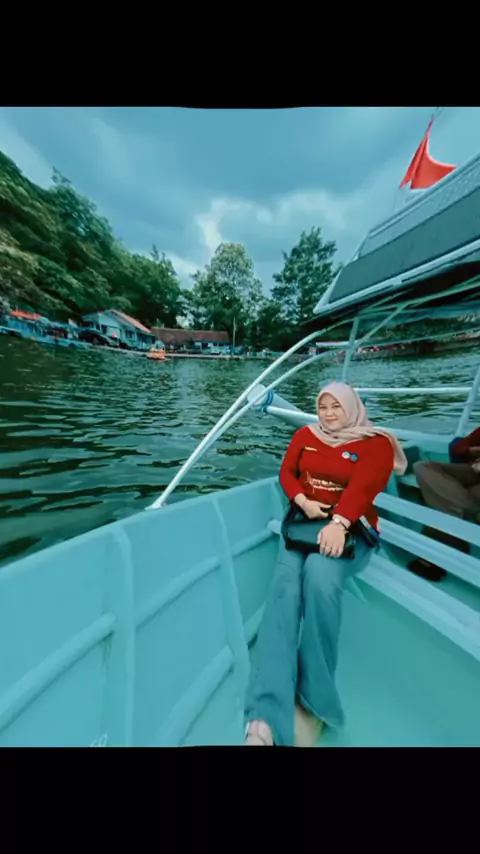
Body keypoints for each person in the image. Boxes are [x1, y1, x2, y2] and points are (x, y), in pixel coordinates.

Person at [243, 381, 408, 747]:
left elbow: (365, 485)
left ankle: (315, 704)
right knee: (284, 588)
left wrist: (339, 522)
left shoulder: (375, 442)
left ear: (352, 407)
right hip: (303, 526)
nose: (329, 414)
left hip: (351, 531)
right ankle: (264, 713)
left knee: (319, 578)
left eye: (337, 406)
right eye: (323, 407)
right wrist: (302, 500)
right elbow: (287, 473)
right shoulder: (305, 435)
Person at [413, 426, 480, 524]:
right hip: (473, 470)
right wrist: (470, 450)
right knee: (422, 467)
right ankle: (470, 511)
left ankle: (458, 513)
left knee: (472, 492)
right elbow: (458, 446)